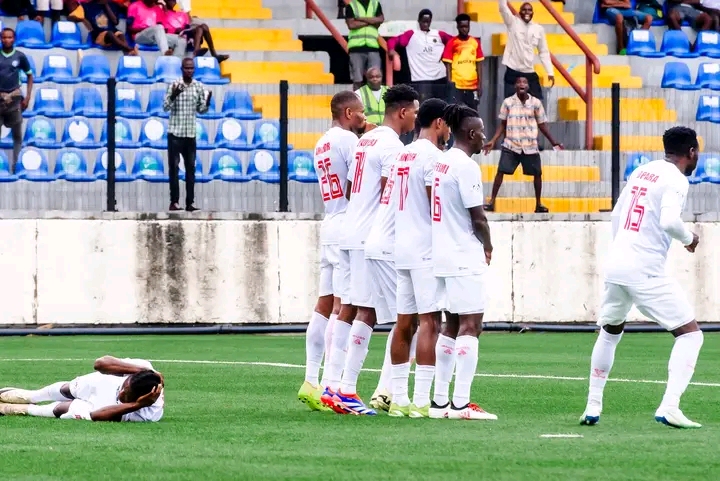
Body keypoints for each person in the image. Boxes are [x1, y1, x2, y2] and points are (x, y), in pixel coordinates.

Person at [579, 126, 703, 429]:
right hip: (643, 268)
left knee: (610, 332)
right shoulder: (676, 179)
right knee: (690, 334)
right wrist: (689, 238)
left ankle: (593, 406)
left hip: (617, 262)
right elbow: (670, 221)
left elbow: (616, 216)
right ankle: (670, 406)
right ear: (691, 152)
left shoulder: (644, 170)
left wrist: (621, 248)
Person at [325, 84, 419, 416]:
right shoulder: (392, 145)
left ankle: (335, 387)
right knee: (404, 314)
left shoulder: (366, 139)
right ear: (403, 112)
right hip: (370, 238)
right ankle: (373, 390)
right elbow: (389, 193)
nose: (416, 119)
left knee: (354, 310)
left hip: (350, 231)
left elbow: (352, 188)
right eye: (415, 112)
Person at [298, 91, 367, 412]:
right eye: (362, 112)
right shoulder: (348, 142)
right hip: (346, 225)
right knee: (344, 307)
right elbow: (358, 185)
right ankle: (331, 385)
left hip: (329, 220)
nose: (365, 117)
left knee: (324, 304)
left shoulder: (322, 142)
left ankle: (311, 381)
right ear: (349, 112)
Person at [429, 104, 496, 421]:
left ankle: (439, 402)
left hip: (441, 252)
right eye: (482, 131)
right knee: (472, 325)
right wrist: (488, 245)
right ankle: (461, 405)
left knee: (451, 324)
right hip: (461, 253)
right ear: (472, 133)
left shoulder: (441, 162)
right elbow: (477, 217)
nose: (485, 137)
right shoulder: (466, 166)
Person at [387, 98, 450, 418]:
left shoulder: (402, 152)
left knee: (403, 323)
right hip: (425, 247)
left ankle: (398, 399)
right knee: (429, 323)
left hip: (401, 246)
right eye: (447, 123)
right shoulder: (432, 157)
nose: (449, 130)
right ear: (438, 123)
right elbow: (434, 204)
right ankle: (422, 400)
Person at [482, 76, 563, 214]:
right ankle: (492, 202)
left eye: (524, 82)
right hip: (511, 143)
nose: (522, 84)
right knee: (500, 172)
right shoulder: (508, 102)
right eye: (519, 82)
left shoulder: (536, 103)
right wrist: (493, 140)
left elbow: (542, 125)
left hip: (529, 145)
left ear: (528, 86)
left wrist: (553, 141)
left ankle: (538, 204)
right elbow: (503, 124)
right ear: (515, 86)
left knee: (537, 174)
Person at [0, 356, 164, 422]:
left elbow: (95, 415)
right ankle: (30, 397)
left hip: (105, 406)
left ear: (142, 399)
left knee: (60, 409)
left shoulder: (148, 413)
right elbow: (100, 364)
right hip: (101, 384)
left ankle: (25, 409)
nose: (122, 393)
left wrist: (136, 405)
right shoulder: (144, 369)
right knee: (64, 390)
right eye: (124, 387)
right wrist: (140, 371)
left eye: (127, 395)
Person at [163, 57, 210, 212]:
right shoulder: (174, 85)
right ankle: (174, 202)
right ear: (182, 69)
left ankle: (190, 203)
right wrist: (174, 95)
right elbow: (165, 107)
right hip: (175, 134)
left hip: (190, 134)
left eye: (191, 68)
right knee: (174, 169)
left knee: (191, 169)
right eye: (186, 68)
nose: (189, 70)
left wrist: (207, 102)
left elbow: (201, 110)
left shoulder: (198, 86)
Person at [387, 9, 453, 102]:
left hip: (439, 77)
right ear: (418, 21)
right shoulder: (411, 34)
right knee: (423, 105)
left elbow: (455, 42)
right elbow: (393, 40)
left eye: (428, 22)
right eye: (423, 21)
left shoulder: (438, 34)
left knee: (440, 105)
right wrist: (391, 50)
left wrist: (445, 55)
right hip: (420, 79)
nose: (425, 24)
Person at [499, 0, 553, 101]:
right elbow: (503, 7)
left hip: (529, 71)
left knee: (537, 103)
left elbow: (543, 52)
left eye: (529, 10)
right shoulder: (512, 23)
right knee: (510, 104)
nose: (527, 12)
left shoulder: (538, 29)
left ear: (532, 13)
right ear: (519, 12)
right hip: (513, 70)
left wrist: (550, 71)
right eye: (524, 10)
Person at [0, 28, 33, 174]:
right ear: (1, 39)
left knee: (17, 136)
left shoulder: (20, 57)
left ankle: (16, 166)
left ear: (14, 39)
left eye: (10, 37)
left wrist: (27, 97)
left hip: (15, 99)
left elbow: (30, 76)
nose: (7, 40)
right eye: (4, 37)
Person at [160, 0, 229, 62]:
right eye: (170, 0)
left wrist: (185, 28)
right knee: (199, 29)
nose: (173, 2)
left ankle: (213, 54)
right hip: (176, 36)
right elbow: (165, 30)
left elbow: (187, 25)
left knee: (204, 26)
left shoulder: (181, 14)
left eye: (174, 0)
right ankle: (196, 52)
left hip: (186, 32)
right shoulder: (163, 14)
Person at [442, 14, 484, 110]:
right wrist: (450, 82)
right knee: (455, 112)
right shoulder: (452, 43)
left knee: (472, 112)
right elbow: (448, 64)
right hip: (457, 85)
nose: (464, 29)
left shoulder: (475, 42)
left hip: (472, 85)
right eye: (462, 27)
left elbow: (479, 64)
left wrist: (480, 84)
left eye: (466, 26)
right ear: (457, 27)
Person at [66, 0, 138, 55]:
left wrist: (106, 5)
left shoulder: (112, 5)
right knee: (109, 33)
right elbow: (70, 17)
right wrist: (82, 19)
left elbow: (115, 22)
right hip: (98, 36)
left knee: (120, 34)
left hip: (113, 33)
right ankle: (129, 49)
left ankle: (127, 52)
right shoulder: (86, 6)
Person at [345, 0, 384, 91]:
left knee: (375, 79)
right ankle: (357, 102)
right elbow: (351, 24)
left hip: (373, 47)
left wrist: (360, 18)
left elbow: (380, 19)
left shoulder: (375, 4)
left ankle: (373, 101)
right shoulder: (352, 6)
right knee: (357, 80)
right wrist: (371, 21)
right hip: (356, 48)